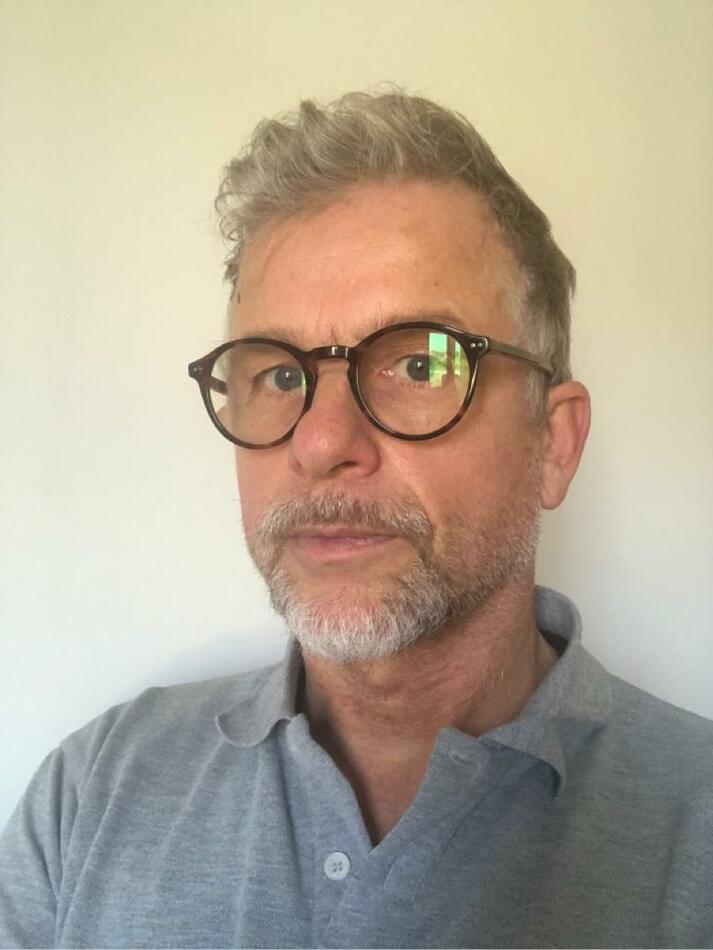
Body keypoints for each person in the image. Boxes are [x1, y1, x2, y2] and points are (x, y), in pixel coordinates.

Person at [1, 88, 712, 950]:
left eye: (419, 364)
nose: (320, 442)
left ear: (552, 445)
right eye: (279, 375)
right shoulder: (91, 795)